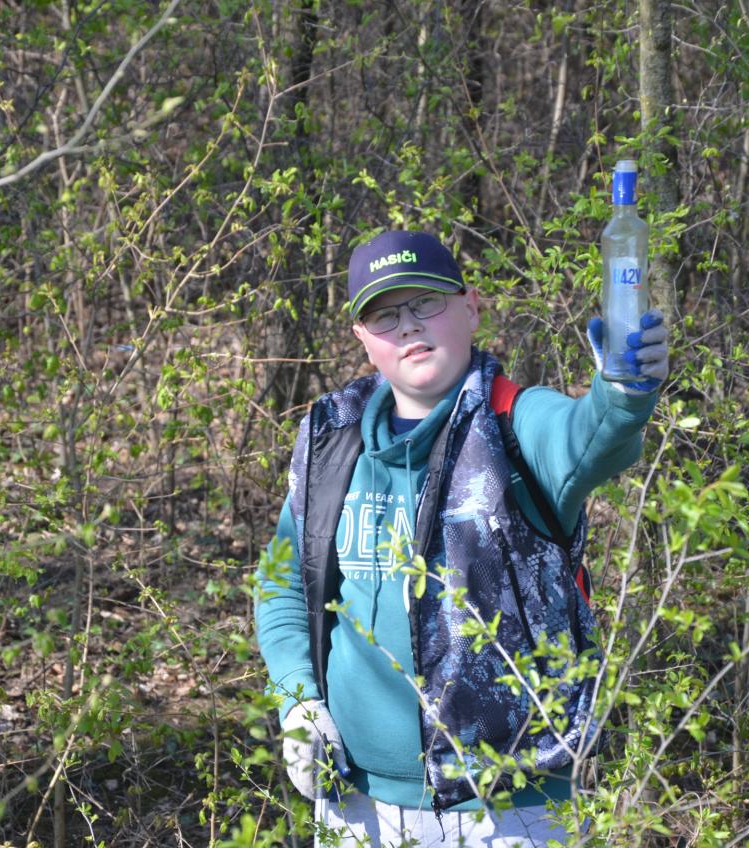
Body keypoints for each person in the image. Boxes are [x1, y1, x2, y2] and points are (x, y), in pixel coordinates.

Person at [254, 230, 669, 847]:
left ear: (471, 308)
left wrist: (623, 392)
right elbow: (284, 582)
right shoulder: (330, 437)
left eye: (427, 303)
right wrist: (297, 702)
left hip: (511, 810)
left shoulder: (516, 424)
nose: (408, 326)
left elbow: (590, 435)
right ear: (363, 338)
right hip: (355, 803)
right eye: (385, 315)